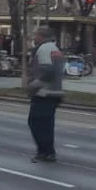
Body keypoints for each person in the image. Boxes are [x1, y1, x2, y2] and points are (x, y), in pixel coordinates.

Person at [26, 26, 64, 163]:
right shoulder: (55, 49)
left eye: (35, 35)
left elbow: (47, 71)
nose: (34, 37)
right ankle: (48, 152)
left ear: (41, 36)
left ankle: (44, 151)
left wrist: (33, 85)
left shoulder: (43, 49)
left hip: (44, 93)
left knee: (36, 123)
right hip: (55, 91)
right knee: (47, 125)